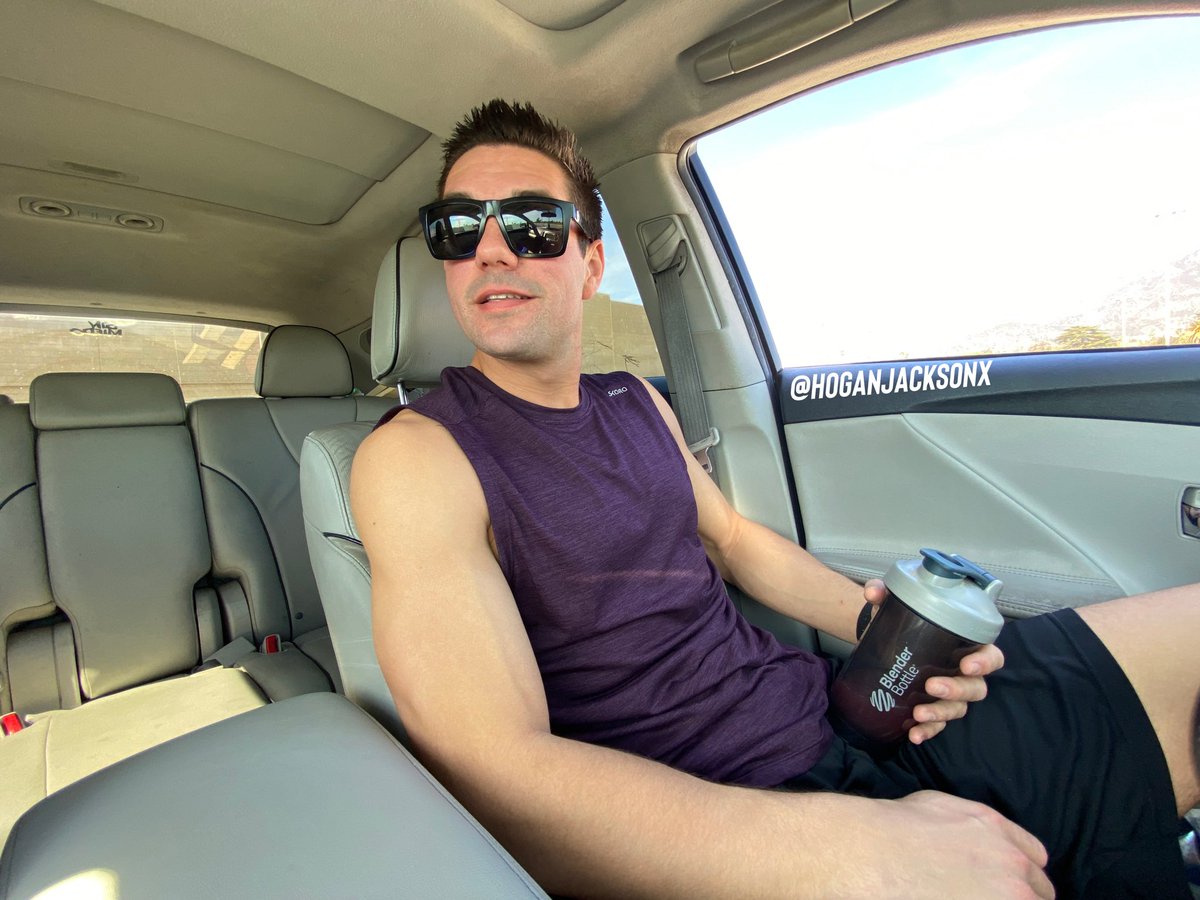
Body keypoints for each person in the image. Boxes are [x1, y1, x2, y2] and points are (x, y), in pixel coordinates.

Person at [352, 99, 1199, 899]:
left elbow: (733, 540)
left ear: (591, 264)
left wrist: (884, 639)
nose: (491, 251)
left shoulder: (633, 402)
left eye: (532, 224)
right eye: (458, 228)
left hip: (839, 715)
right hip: (728, 820)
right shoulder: (418, 458)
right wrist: (856, 848)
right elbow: (496, 774)